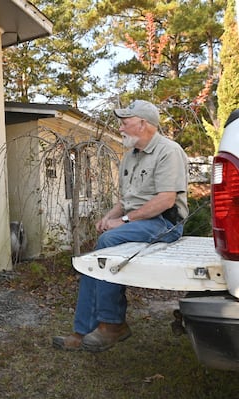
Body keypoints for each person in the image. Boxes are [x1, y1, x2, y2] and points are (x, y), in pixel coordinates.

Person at [52, 100, 188, 352]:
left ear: (143, 124)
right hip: (139, 220)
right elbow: (125, 201)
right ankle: (83, 331)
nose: (121, 128)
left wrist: (122, 221)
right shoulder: (130, 157)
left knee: (108, 242)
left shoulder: (169, 151)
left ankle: (113, 325)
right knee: (95, 256)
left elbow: (166, 199)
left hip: (165, 222)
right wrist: (108, 218)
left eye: (126, 123)